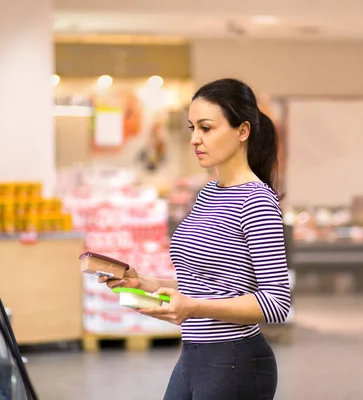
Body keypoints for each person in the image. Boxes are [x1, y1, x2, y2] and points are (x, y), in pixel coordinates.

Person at [99, 78, 291, 400]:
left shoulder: (257, 201)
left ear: (242, 131)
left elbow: (276, 303)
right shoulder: (208, 194)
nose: (195, 139)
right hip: (193, 357)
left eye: (206, 128)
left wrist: (193, 308)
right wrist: (144, 282)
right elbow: (206, 283)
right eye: (192, 128)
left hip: (235, 362)